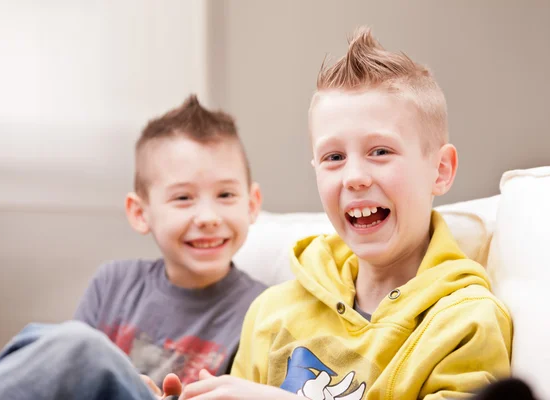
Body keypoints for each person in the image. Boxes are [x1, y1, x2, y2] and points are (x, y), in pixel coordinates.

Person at [172, 27, 513, 400]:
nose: (354, 177)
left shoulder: (467, 322)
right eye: (334, 157)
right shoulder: (272, 313)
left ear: (441, 170)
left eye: (380, 151)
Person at [0, 95, 266, 400]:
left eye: (226, 195)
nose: (208, 218)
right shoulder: (114, 282)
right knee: (44, 342)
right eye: (183, 198)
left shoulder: (265, 310)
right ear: (140, 213)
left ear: (252, 204)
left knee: (77, 346)